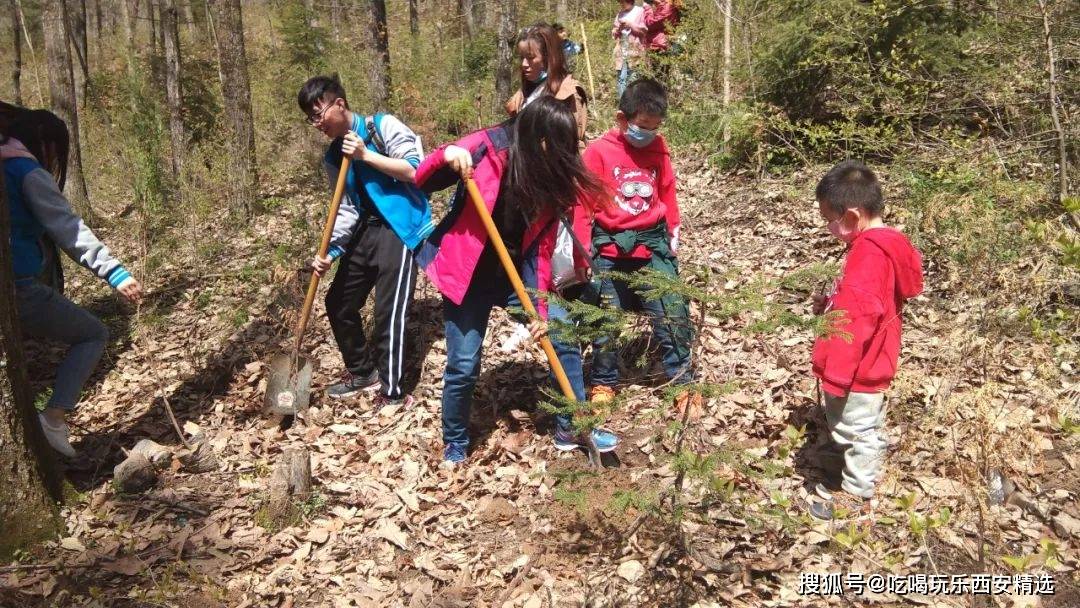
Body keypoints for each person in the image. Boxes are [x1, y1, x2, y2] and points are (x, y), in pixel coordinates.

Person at [414, 96, 619, 466]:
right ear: (543, 142)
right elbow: (422, 179)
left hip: (514, 277)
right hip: (467, 275)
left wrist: (539, 310)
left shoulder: (548, 180)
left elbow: (538, 253)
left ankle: (571, 426)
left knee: (562, 335)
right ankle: (455, 442)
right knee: (463, 363)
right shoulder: (487, 147)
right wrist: (447, 156)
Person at [1, 106, 144, 457]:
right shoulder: (24, 170)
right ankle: (53, 418)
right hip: (16, 289)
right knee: (92, 333)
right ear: (45, 143)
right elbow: (69, 228)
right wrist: (116, 273)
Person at [297, 75, 433, 406]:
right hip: (365, 232)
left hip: (399, 230)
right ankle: (363, 374)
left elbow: (416, 170)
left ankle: (393, 393)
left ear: (339, 104)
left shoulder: (381, 127)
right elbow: (344, 209)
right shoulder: (333, 157)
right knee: (339, 303)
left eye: (319, 114)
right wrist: (329, 251)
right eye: (310, 118)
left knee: (389, 312)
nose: (316, 124)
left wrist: (365, 155)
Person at [807, 160, 924, 520]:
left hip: (859, 365)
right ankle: (853, 479)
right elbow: (866, 300)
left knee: (858, 430)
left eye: (831, 218)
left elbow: (858, 316)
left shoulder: (869, 253)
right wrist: (828, 304)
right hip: (873, 357)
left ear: (853, 216)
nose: (829, 227)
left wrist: (837, 372)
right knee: (861, 424)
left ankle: (858, 495)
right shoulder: (886, 245)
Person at [580, 79, 699, 416]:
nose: (648, 133)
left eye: (655, 127)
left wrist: (672, 233)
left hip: (652, 245)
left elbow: (667, 190)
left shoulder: (658, 149)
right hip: (609, 248)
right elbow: (584, 202)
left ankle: (682, 381)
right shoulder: (599, 152)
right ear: (622, 118)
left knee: (671, 312)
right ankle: (604, 380)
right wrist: (582, 248)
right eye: (642, 126)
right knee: (605, 317)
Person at [505, 23, 589, 149]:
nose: (524, 64)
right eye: (522, 57)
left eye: (531, 57)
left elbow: (572, 146)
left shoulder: (568, 94)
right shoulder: (524, 93)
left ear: (549, 57)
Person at [611, 0, 646, 98]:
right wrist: (616, 31)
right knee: (621, 78)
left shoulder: (640, 11)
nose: (621, 4)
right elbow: (615, 31)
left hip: (635, 49)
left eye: (622, 2)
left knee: (633, 78)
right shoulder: (620, 14)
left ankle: (634, 104)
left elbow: (644, 31)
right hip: (622, 49)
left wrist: (631, 25)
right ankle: (623, 105)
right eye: (620, 2)